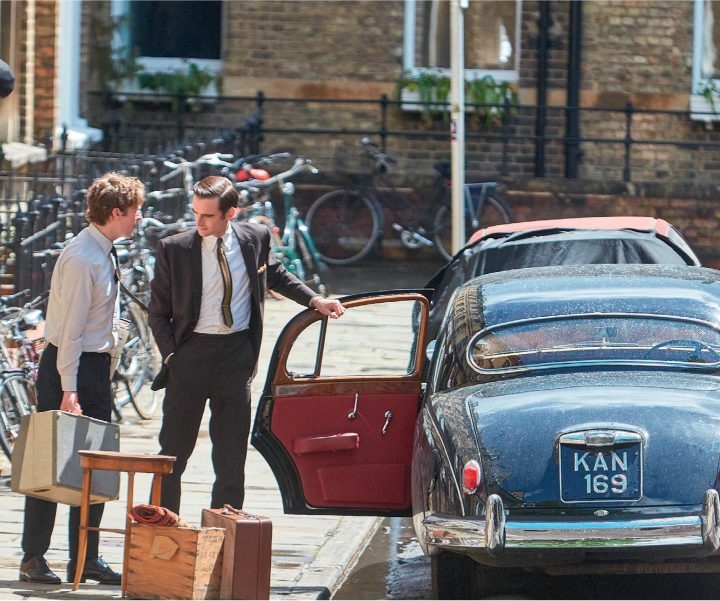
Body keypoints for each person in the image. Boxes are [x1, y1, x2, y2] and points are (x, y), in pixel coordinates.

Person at [148, 176, 344, 514]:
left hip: (236, 357)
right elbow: (157, 313)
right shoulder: (174, 248)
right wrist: (172, 358)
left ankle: (224, 539)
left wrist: (314, 301)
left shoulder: (255, 238)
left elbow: (278, 275)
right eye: (195, 213)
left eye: (207, 215)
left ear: (230, 213)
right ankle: (164, 534)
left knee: (231, 459)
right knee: (172, 457)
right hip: (189, 356)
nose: (199, 222)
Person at [19, 173, 144, 584]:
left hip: (92, 368)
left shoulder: (103, 250)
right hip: (69, 369)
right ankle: (33, 557)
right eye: (135, 210)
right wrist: (69, 389)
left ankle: (84, 558)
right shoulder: (81, 257)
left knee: (95, 466)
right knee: (50, 464)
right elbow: (69, 331)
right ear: (116, 212)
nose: (139, 217)